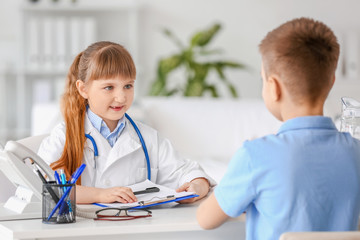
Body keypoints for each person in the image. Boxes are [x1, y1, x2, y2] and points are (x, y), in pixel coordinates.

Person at [197, 17, 360, 240]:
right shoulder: (356, 152)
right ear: (331, 82)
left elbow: (205, 220)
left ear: (273, 87)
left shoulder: (255, 156)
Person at [38, 41, 211, 204]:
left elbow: (190, 173)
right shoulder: (63, 135)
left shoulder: (148, 138)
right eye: (109, 87)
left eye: (128, 86)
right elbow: (41, 186)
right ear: (83, 89)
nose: (121, 97)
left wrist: (196, 187)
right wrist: (100, 194)